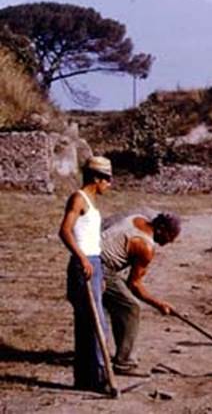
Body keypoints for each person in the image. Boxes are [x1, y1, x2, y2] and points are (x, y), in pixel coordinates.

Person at [100, 211, 181, 374]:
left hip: (92, 258)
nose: (169, 242)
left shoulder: (137, 218)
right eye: (170, 237)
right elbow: (134, 285)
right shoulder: (145, 246)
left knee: (121, 302)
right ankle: (125, 363)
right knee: (131, 307)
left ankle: (115, 353)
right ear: (161, 229)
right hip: (100, 269)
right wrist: (159, 305)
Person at [58, 156, 114, 392]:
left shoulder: (91, 201)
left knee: (88, 324)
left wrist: (98, 270)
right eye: (107, 180)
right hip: (84, 264)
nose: (109, 185)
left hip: (94, 263)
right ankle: (100, 378)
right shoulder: (78, 199)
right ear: (96, 178)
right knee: (94, 324)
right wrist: (82, 258)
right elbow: (65, 231)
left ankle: (85, 379)